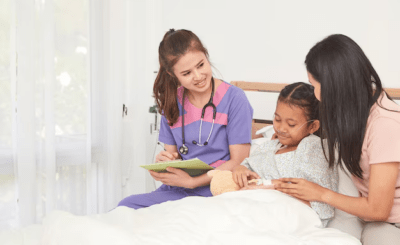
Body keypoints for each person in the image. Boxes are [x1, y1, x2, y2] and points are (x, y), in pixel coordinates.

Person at [275, 34, 400, 244]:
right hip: (366, 214)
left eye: (314, 85)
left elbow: (378, 209)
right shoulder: (351, 111)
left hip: (389, 219)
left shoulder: (385, 124)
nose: (315, 94)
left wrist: (319, 193)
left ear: (335, 86)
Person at [118, 29, 253, 209]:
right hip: (179, 189)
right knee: (126, 206)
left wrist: (193, 182)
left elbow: (238, 161)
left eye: (201, 65)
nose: (198, 76)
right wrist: (166, 163)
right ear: (173, 75)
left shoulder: (235, 99)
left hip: (217, 187)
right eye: (187, 73)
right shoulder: (172, 102)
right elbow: (173, 156)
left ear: (206, 56)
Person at [232, 82, 338, 227]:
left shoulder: (312, 148)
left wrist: (271, 186)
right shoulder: (269, 146)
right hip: (255, 204)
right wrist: (241, 169)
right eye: (277, 119)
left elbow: (322, 204)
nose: (281, 128)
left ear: (312, 126)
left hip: (288, 213)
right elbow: (250, 164)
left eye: (291, 124)